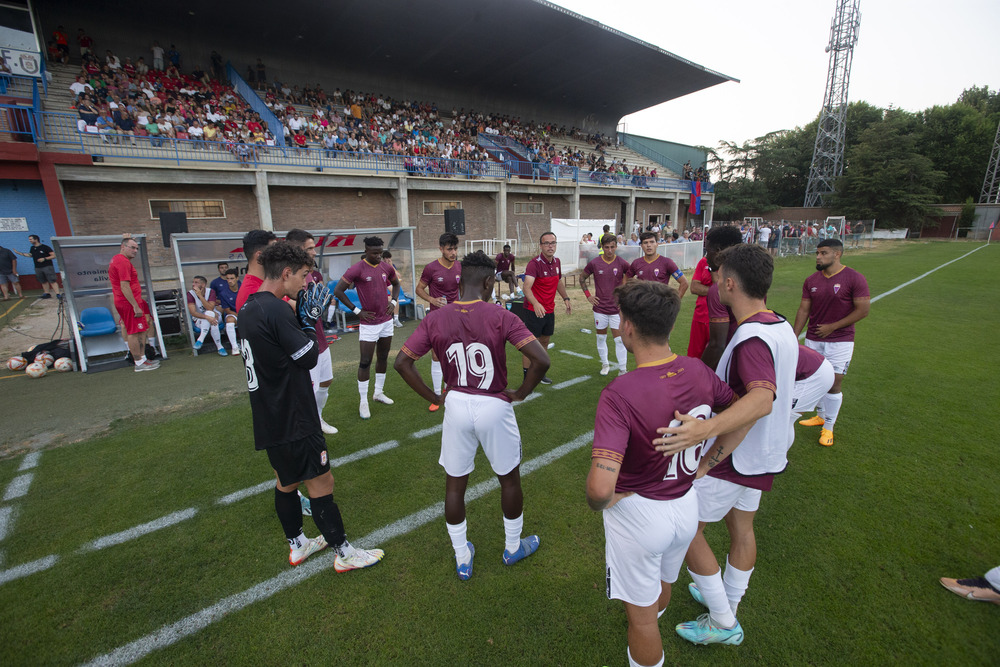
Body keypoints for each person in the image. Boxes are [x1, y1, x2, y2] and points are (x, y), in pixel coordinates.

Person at [586, 280, 741, 667]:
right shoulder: (697, 370)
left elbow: (600, 488)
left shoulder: (620, 392)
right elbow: (744, 412)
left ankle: (648, 628)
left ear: (628, 328)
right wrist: (707, 462)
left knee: (640, 622)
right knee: (663, 582)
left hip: (641, 516)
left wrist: (607, 497)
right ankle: (654, 617)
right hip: (686, 504)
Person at [653, 243, 797, 648]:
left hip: (738, 456)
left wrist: (706, 431)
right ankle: (726, 601)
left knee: (684, 533)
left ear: (730, 283)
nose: (713, 282)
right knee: (741, 528)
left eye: (718, 277)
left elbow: (762, 398)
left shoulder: (751, 337)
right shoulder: (779, 324)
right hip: (766, 455)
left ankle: (723, 620)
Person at [394, 250, 549, 580]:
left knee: (455, 484)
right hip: (493, 403)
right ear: (490, 282)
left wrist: (435, 396)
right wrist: (520, 393)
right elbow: (541, 361)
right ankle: (511, 547)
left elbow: (402, 362)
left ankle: (463, 556)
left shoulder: (436, 316)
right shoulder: (501, 315)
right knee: (508, 478)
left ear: (460, 280)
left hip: (457, 405)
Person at [238, 241, 384, 572]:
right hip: (294, 415)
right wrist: (308, 321)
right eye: (303, 276)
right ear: (285, 273)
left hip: (268, 414)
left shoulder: (248, 308)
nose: (306, 284)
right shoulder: (275, 309)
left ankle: (298, 544)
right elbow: (307, 357)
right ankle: (345, 553)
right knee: (322, 484)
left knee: (286, 482)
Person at [792, 239, 870, 447]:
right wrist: (793, 337)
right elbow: (804, 310)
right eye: (817, 253)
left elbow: (863, 310)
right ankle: (819, 415)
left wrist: (833, 326)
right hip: (813, 339)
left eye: (823, 253)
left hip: (840, 341)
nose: (818, 256)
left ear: (837, 254)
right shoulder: (811, 280)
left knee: (834, 383)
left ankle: (829, 426)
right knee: (814, 379)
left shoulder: (854, 278)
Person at [333, 237, 400, 419]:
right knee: (365, 361)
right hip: (369, 324)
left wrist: (393, 301)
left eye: (380, 252)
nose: (378, 256)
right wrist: (357, 311)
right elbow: (338, 291)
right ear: (366, 250)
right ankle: (363, 401)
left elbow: (396, 284)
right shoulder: (356, 269)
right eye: (374, 253)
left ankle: (378, 393)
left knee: (383, 357)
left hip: (386, 321)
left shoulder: (386, 267)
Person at [285, 229, 338, 436]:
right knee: (310, 389)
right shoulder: (288, 276)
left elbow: (319, 301)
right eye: (309, 248)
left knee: (326, 381)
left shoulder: (313, 274)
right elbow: (287, 307)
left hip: (320, 338)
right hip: (303, 342)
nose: (314, 252)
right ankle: (309, 428)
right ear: (295, 249)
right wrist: (305, 306)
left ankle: (318, 416)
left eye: (314, 247)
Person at [415, 233, 462, 412]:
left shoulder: (459, 266)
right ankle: (436, 396)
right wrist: (432, 300)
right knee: (436, 355)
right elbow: (419, 289)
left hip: (456, 317)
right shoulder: (431, 268)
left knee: (454, 353)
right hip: (437, 318)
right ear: (441, 248)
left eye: (455, 248)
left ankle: (449, 388)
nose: (453, 252)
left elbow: (462, 289)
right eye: (449, 249)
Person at [519, 231, 571, 385]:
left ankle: (539, 373)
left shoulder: (557, 262)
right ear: (540, 246)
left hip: (549, 309)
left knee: (545, 341)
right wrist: (535, 303)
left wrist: (566, 298)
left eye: (553, 243)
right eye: (547, 243)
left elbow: (558, 282)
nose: (550, 246)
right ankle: (527, 378)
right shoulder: (534, 264)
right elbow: (526, 288)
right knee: (530, 344)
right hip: (533, 310)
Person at [580, 233, 629, 375]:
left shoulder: (622, 263)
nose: (609, 250)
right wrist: (588, 296)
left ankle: (622, 369)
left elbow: (632, 276)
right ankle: (605, 364)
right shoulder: (595, 263)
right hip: (600, 309)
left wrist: (625, 293)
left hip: (616, 310)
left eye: (612, 247)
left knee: (619, 340)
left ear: (616, 246)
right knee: (601, 337)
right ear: (602, 247)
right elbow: (582, 278)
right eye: (606, 247)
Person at [109, 237, 158, 372]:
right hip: (128, 303)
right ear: (123, 247)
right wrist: (135, 305)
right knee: (133, 332)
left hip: (133, 301)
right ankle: (138, 362)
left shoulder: (121, 260)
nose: (135, 251)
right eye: (132, 248)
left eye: (137, 248)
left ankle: (143, 359)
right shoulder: (122, 262)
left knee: (141, 329)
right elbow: (124, 286)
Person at [699, 226, 743, 371]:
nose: (706, 256)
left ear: (718, 251)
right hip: (752, 357)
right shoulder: (751, 279)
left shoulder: (719, 289)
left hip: (729, 366)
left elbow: (717, 345)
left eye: (707, 250)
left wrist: (698, 374)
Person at [627, 232, 689, 298]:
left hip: (660, 306)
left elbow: (684, 283)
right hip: (640, 306)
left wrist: (674, 302)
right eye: (645, 243)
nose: (648, 245)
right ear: (641, 245)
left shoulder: (667, 262)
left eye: (652, 242)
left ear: (657, 244)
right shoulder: (636, 263)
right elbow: (626, 280)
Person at [234, 229, 278, 312]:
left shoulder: (266, 284)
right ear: (259, 256)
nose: (280, 255)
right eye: (275, 251)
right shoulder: (253, 293)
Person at [186, 275, 227, 355]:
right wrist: (207, 317)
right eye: (193, 282)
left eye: (196, 282)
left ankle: (200, 340)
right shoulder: (190, 294)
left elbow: (210, 308)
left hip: (215, 316)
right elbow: (193, 312)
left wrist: (200, 296)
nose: (193, 284)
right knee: (210, 316)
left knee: (210, 313)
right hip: (200, 319)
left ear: (203, 284)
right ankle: (220, 347)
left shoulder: (210, 291)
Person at [686, 251, 713, 359]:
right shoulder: (703, 262)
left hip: (721, 317)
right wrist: (717, 291)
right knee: (695, 355)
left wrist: (706, 289)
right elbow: (694, 288)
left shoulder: (731, 264)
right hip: (700, 315)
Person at [216, 268, 242, 355]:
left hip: (246, 313)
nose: (229, 281)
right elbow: (227, 310)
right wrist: (239, 316)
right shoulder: (223, 293)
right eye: (228, 279)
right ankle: (235, 347)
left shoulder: (244, 288)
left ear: (237, 278)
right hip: (234, 314)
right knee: (229, 321)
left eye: (232, 278)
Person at [381, 250, 403, 327]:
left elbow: (399, 276)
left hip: (389, 290)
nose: (388, 260)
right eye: (386, 258)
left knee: (395, 298)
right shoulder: (381, 267)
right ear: (383, 259)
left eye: (389, 258)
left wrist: (391, 266)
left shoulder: (391, 266)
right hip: (382, 291)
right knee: (392, 298)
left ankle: (396, 319)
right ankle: (387, 320)